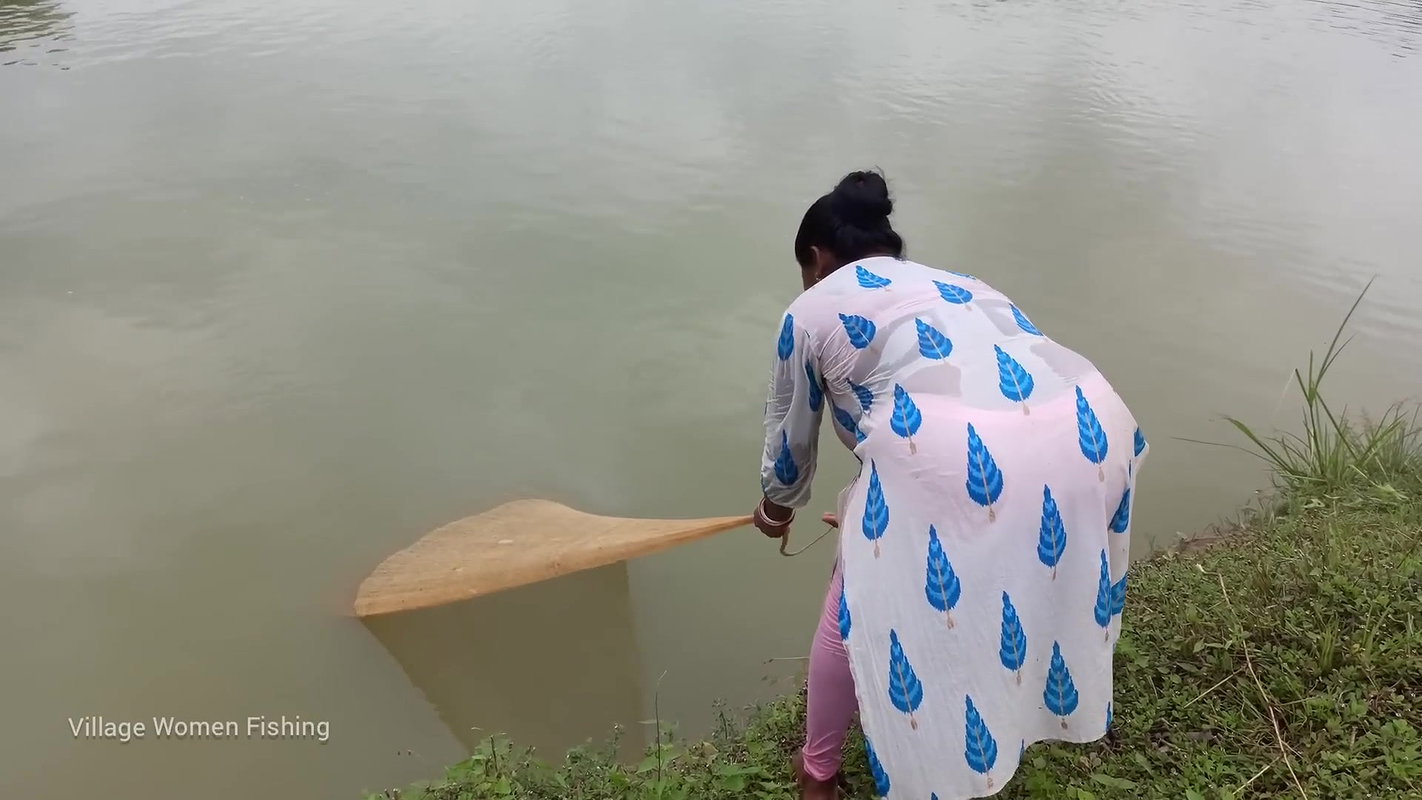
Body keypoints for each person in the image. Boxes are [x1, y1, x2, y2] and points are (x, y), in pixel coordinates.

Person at [752, 170, 1147, 800]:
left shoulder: (811, 308)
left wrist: (775, 509)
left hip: (951, 454)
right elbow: (977, 387)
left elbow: (791, 442)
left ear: (817, 257)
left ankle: (817, 773)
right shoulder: (965, 286)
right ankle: (1016, 713)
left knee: (848, 611)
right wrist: (880, 511)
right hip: (1091, 425)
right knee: (990, 568)